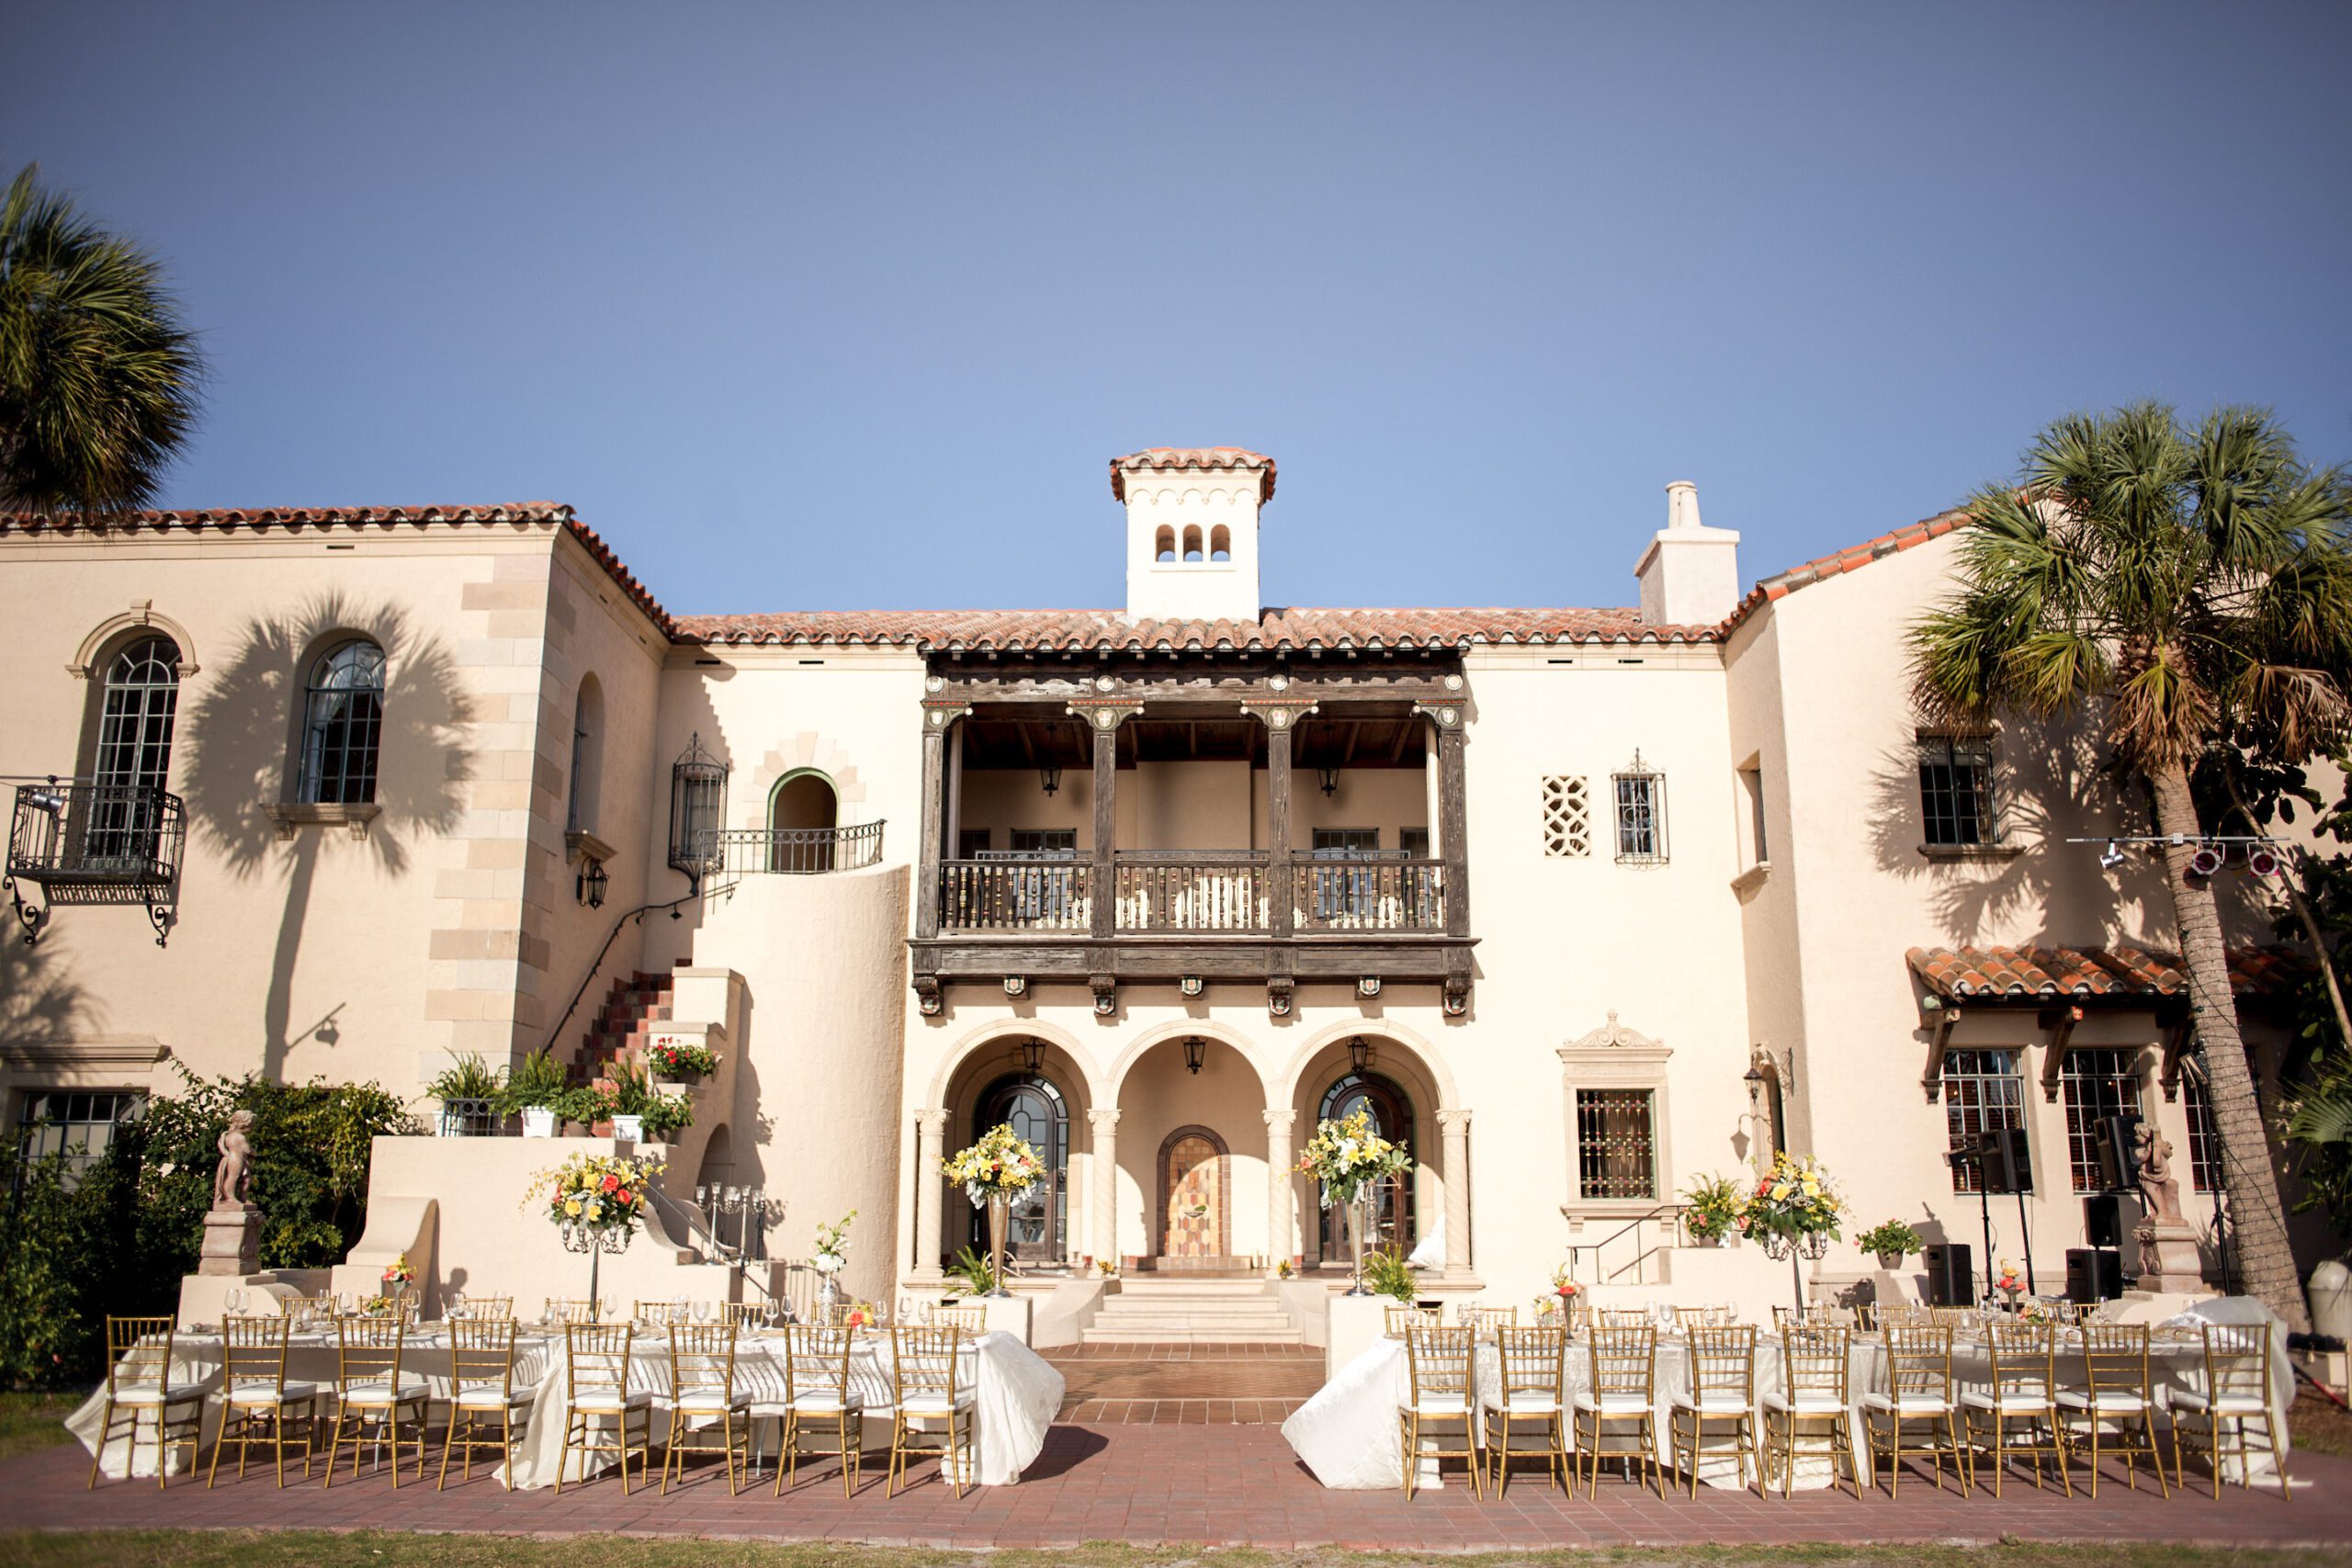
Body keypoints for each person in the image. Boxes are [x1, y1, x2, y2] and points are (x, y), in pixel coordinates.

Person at [212, 1110, 254, 1210]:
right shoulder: (239, 1137)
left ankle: (242, 1197)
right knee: (233, 1177)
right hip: (236, 1159)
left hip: (240, 1159)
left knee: (247, 1179)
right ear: (244, 1124)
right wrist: (254, 1152)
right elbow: (248, 1150)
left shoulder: (230, 1135)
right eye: (251, 1125)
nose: (252, 1128)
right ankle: (230, 1197)